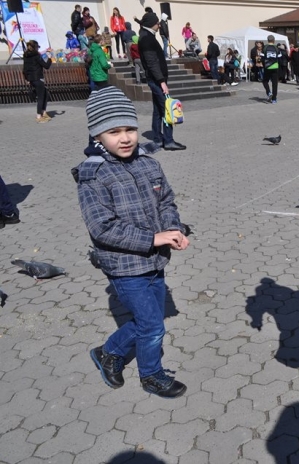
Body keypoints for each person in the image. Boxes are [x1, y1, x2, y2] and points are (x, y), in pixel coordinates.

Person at [76, 86, 189, 399]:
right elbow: (102, 228)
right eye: (114, 132)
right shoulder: (93, 175)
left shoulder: (148, 163)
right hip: (124, 266)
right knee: (152, 325)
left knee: (147, 320)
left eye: (130, 129)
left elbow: (166, 200)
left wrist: (173, 229)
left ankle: (108, 352)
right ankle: (151, 375)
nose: (124, 138)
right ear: (97, 136)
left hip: (155, 261)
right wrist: (152, 238)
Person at [138, 11, 186, 151]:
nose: (159, 25)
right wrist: (161, 81)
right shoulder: (147, 38)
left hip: (155, 79)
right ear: (151, 24)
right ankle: (168, 140)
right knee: (167, 109)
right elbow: (152, 62)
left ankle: (158, 139)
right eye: (157, 23)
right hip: (157, 80)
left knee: (158, 110)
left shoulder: (146, 36)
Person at [22, 39, 52, 123]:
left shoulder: (26, 56)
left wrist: (27, 79)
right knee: (41, 97)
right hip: (38, 78)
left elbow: (24, 70)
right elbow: (46, 66)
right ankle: (39, 116)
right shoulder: (37, 56)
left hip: (32, 79)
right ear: (35, 47)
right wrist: (49, 58)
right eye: (38, 47)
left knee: (45, 94)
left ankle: (44, 112)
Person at [261, 35, 281, 103]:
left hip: (267, 66)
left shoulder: (265, 47)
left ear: (268, 40)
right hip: (275, 67)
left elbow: (262, 57)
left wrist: (264, 64)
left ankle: (269, 92)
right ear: (274, 40)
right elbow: (280, 57)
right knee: (275, 83)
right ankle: (274, 99)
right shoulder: (276, 48)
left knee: (265, 80)